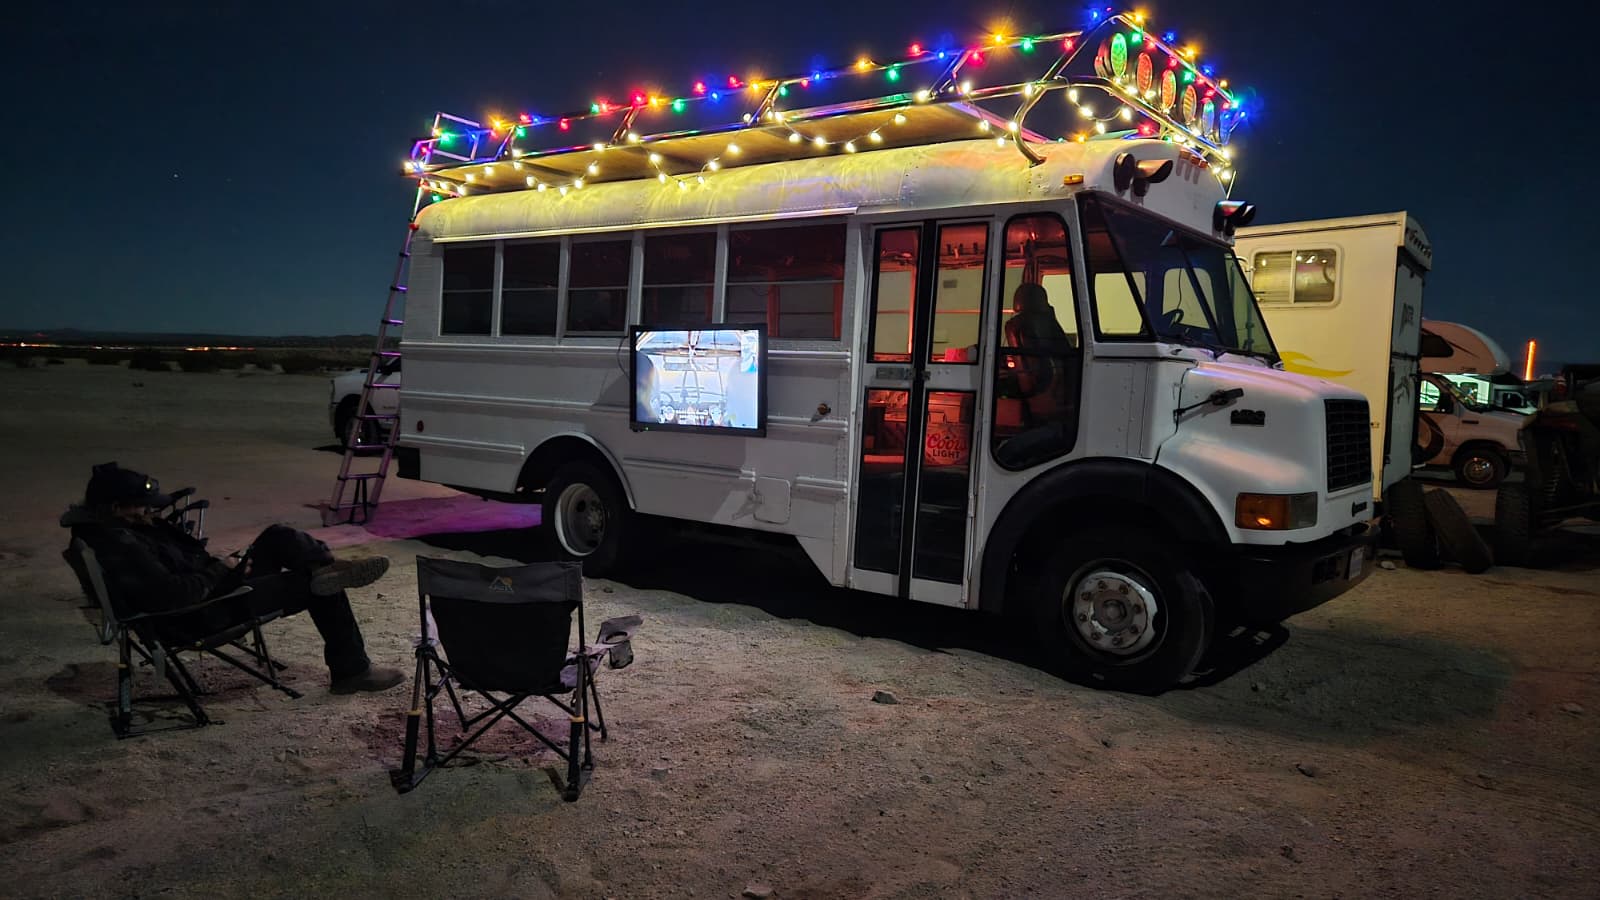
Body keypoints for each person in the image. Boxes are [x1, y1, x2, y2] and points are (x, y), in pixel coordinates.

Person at [63, 463, 404, 694]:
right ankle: (352, 671)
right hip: (201, 613)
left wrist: (219, 567)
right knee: (314, 587)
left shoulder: (118, 530)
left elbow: (177, 570)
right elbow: (172, 596)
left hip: (211, 592)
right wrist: (221, 569)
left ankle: (329, 563)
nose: (151, 510)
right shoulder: (122, 545)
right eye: (142, 506)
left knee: (278, 535)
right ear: (115, 507)